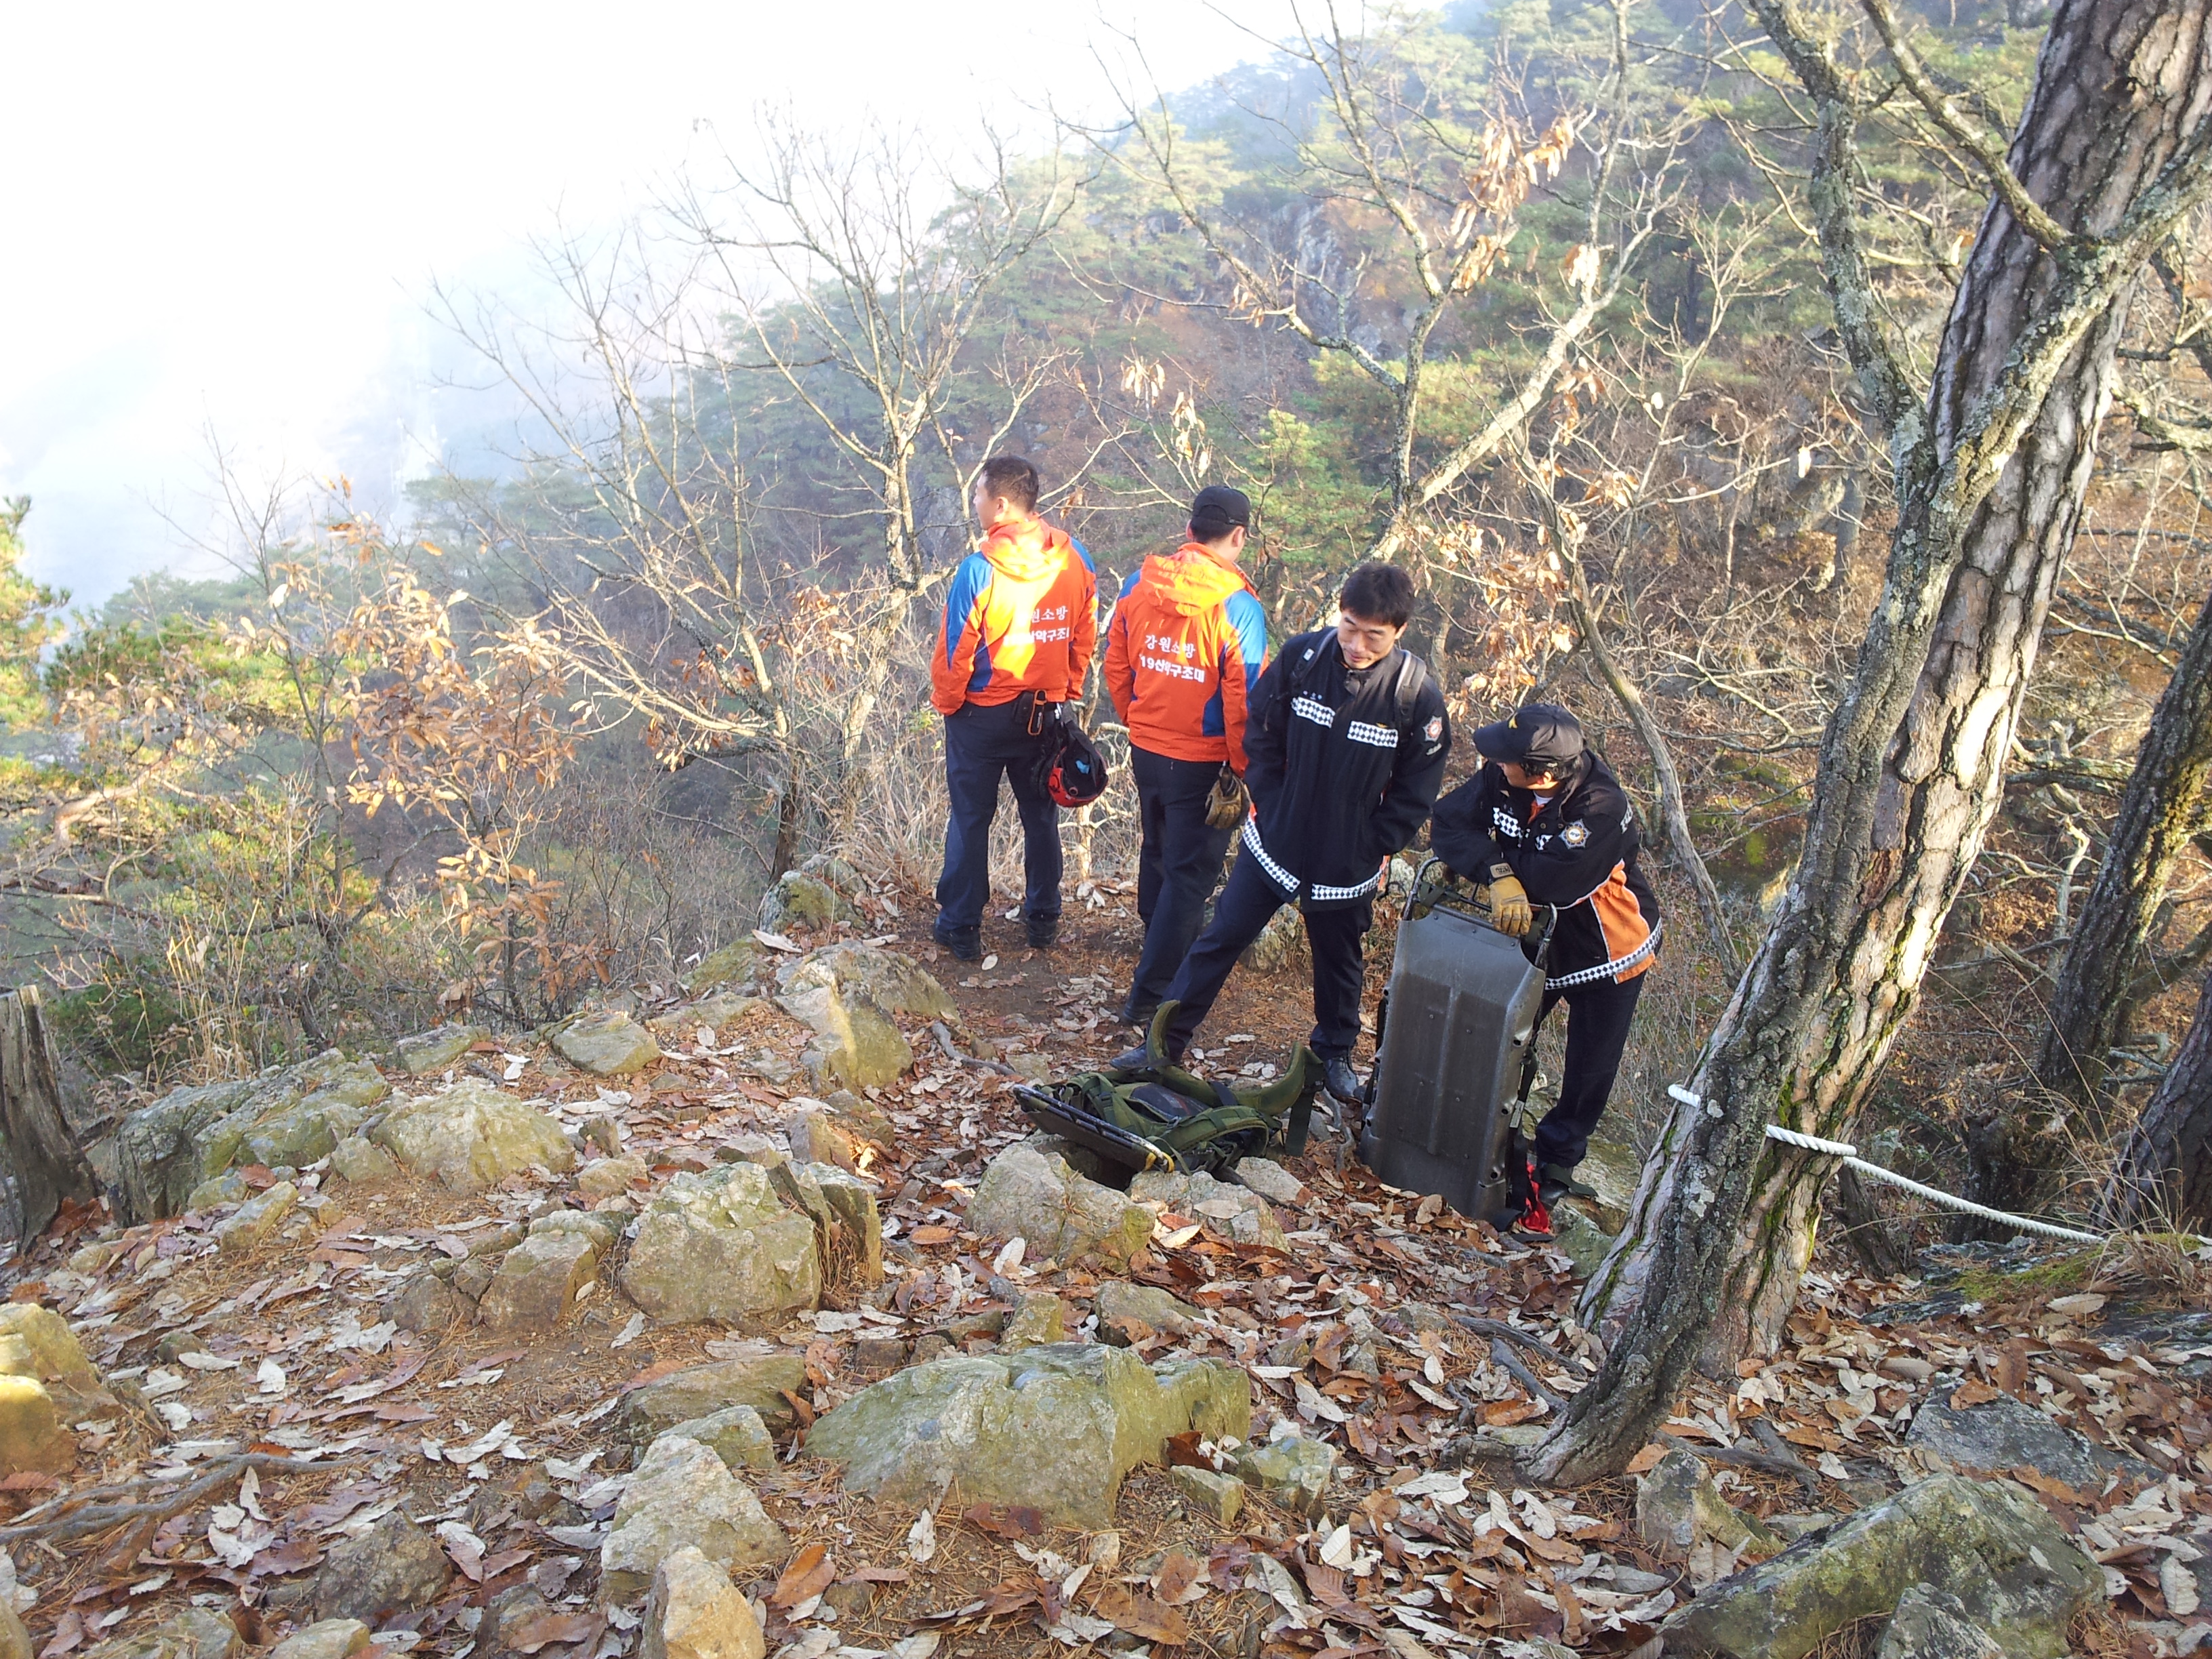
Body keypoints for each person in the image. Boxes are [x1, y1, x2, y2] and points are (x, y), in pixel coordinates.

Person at [1112, 561, 1450, 1105]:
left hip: (1348, 858)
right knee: (1219, 939)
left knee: (1339, 961)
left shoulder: (1415, 696)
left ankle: (1334, 1056)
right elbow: (1260, 733)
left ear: (1400, 631)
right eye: (1349, 627)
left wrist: (1374, 843)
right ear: (1340, 613)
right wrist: (1270, 802)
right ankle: (1163, 1044)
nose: (1357, 645)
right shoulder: (1303, 658)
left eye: (1374, 636)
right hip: (1275, 841)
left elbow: (1418, 789)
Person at [1429, 703, 1661, 1234]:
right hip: (1535, 933)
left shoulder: (1601, 807)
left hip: (1608, 945)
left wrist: (1501, 869)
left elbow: (1551, 881)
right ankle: (1471, 1127)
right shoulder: (1502, 777)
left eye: (1507, 758)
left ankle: (1557, 1161)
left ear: (1544, 773)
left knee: (1590, 1064)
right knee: (1501, 1033)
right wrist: (1496, 871)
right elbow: (1450, 820)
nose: (1494, 762)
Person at [1102, 484, 1271, 1029]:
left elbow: (1117, 664)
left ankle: (1155, 946)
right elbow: (1244, 699)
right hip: (1201, 759)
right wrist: (1244, 769)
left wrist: (1137, 719)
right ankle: (1151, 997)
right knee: (1190, 876)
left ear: (1190, 528)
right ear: (1239, 536)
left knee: (1158, 852)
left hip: (1148, 748)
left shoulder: (1140, 583)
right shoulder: (1237, 607)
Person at [930, 455, 1097, 960]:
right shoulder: (1074, 558)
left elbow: (955, 652)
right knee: (1040, 814)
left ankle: (961, 925)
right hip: (1045, 713)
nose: (974, 502)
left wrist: (949, 706)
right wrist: (1067, 689)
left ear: (1000, 504)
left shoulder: (979, 570)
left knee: (971, 818)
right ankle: (1043, 917)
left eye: (979, 494)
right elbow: (1084, 633)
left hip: (982, 716)